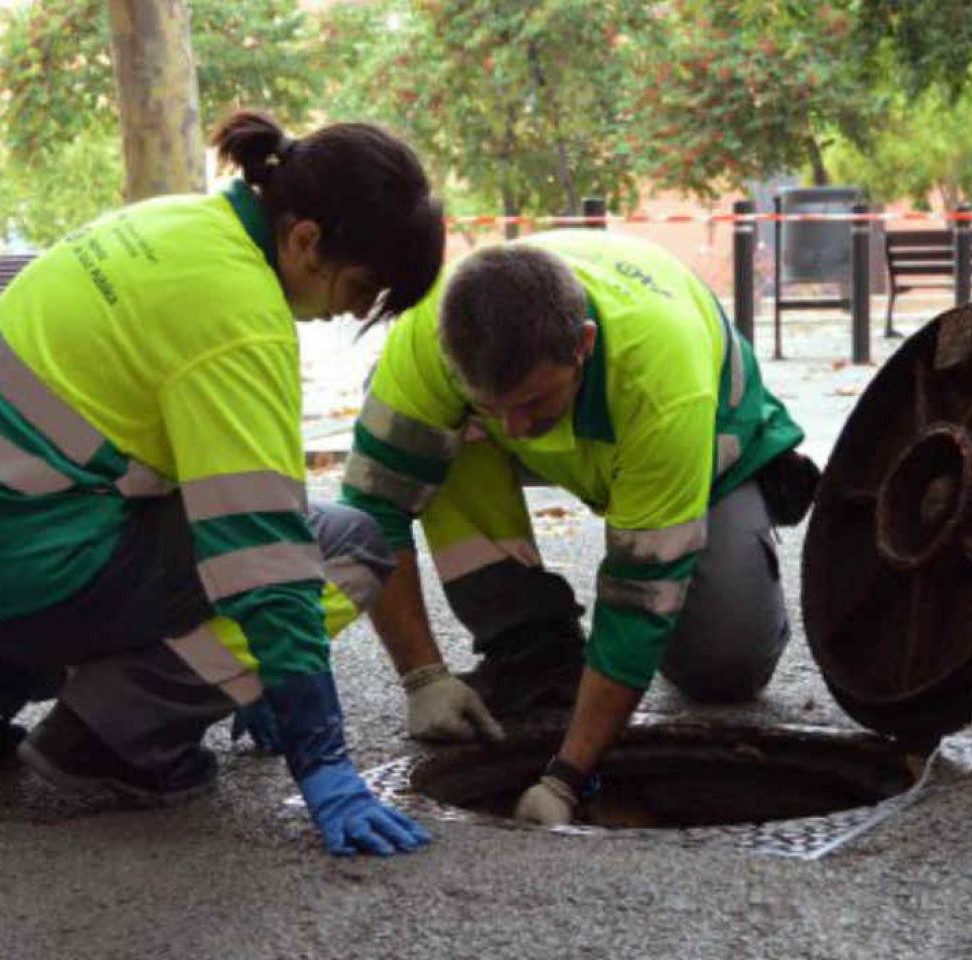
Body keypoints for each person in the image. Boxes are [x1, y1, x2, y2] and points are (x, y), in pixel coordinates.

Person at [0, 111, 444, 858]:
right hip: (21, 567)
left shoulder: (173, 224)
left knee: (150, 501)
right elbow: (264, 560)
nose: (355, 312)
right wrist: (322, 758)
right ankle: (115, 736)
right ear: (305, 240)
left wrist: (254, 676)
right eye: (363, 287)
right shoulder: (238, 316)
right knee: (348, 547)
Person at [342, 228, 815, 826]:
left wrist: (567, 778)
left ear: (583, 345)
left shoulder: (662, 378)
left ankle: (746, 526)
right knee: (425, 434)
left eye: (534, 401)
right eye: (493, 405)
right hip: (580, 426)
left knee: (724, 670)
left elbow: (641, 592)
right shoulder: (429, 336)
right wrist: (421, 677)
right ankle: (531, 643)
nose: (513, 427)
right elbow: (371, 512)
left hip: (702, 450)